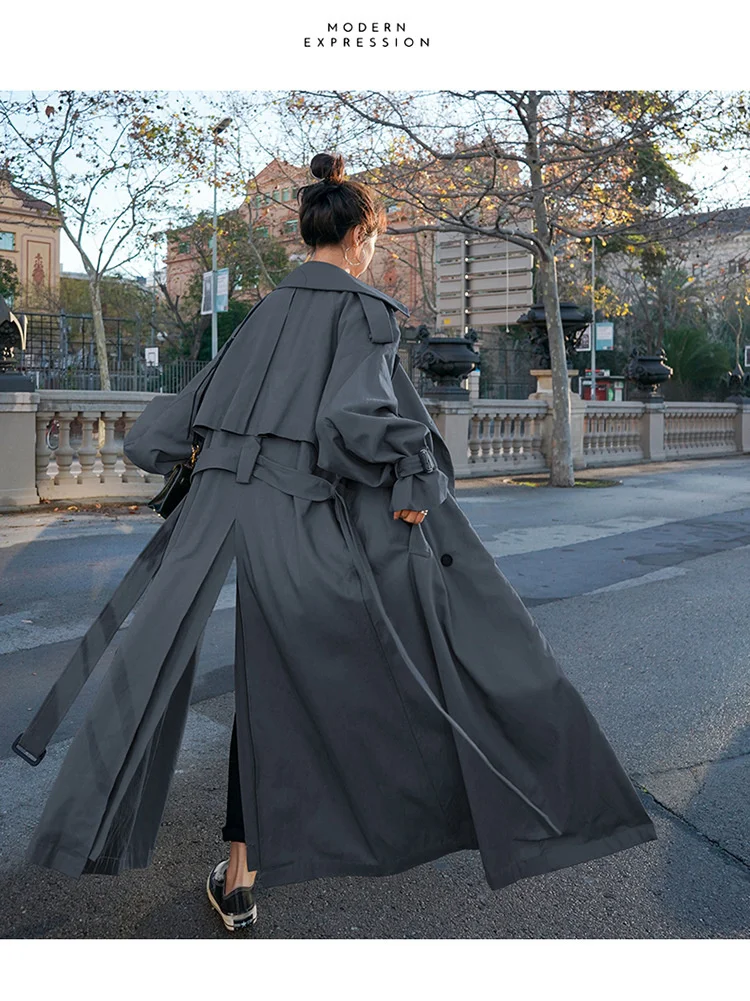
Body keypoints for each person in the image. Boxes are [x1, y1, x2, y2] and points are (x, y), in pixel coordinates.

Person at [21, 152, 657, 935]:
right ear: (360, 235)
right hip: (306, 526)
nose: (374, 251)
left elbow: (168, 428)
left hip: (218, 524)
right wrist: (417, 475)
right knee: (387, 668)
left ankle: (239, 876)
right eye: (376, 239)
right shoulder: (365, 312)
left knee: (256, 683)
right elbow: (353, 423)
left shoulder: (262, 314)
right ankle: (359, 831)